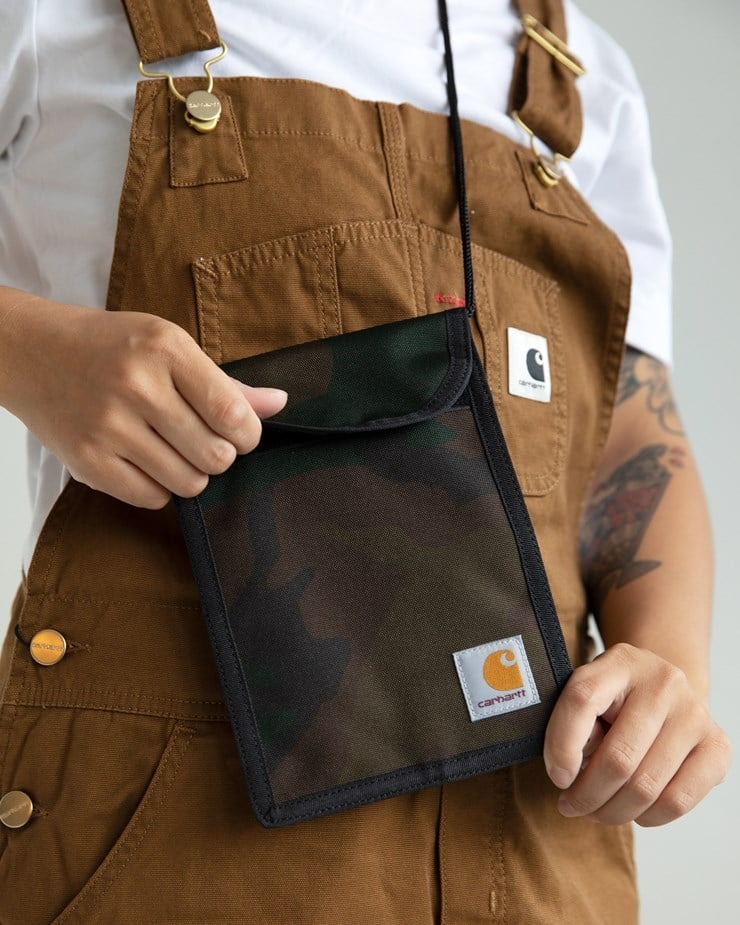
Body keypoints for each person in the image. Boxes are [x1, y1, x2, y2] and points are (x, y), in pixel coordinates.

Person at [0, 1, 730, 923]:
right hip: (181, 849)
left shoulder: (582, 73)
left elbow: (631, 428)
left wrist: (668, 664)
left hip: (537, 850)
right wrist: (28, 351)